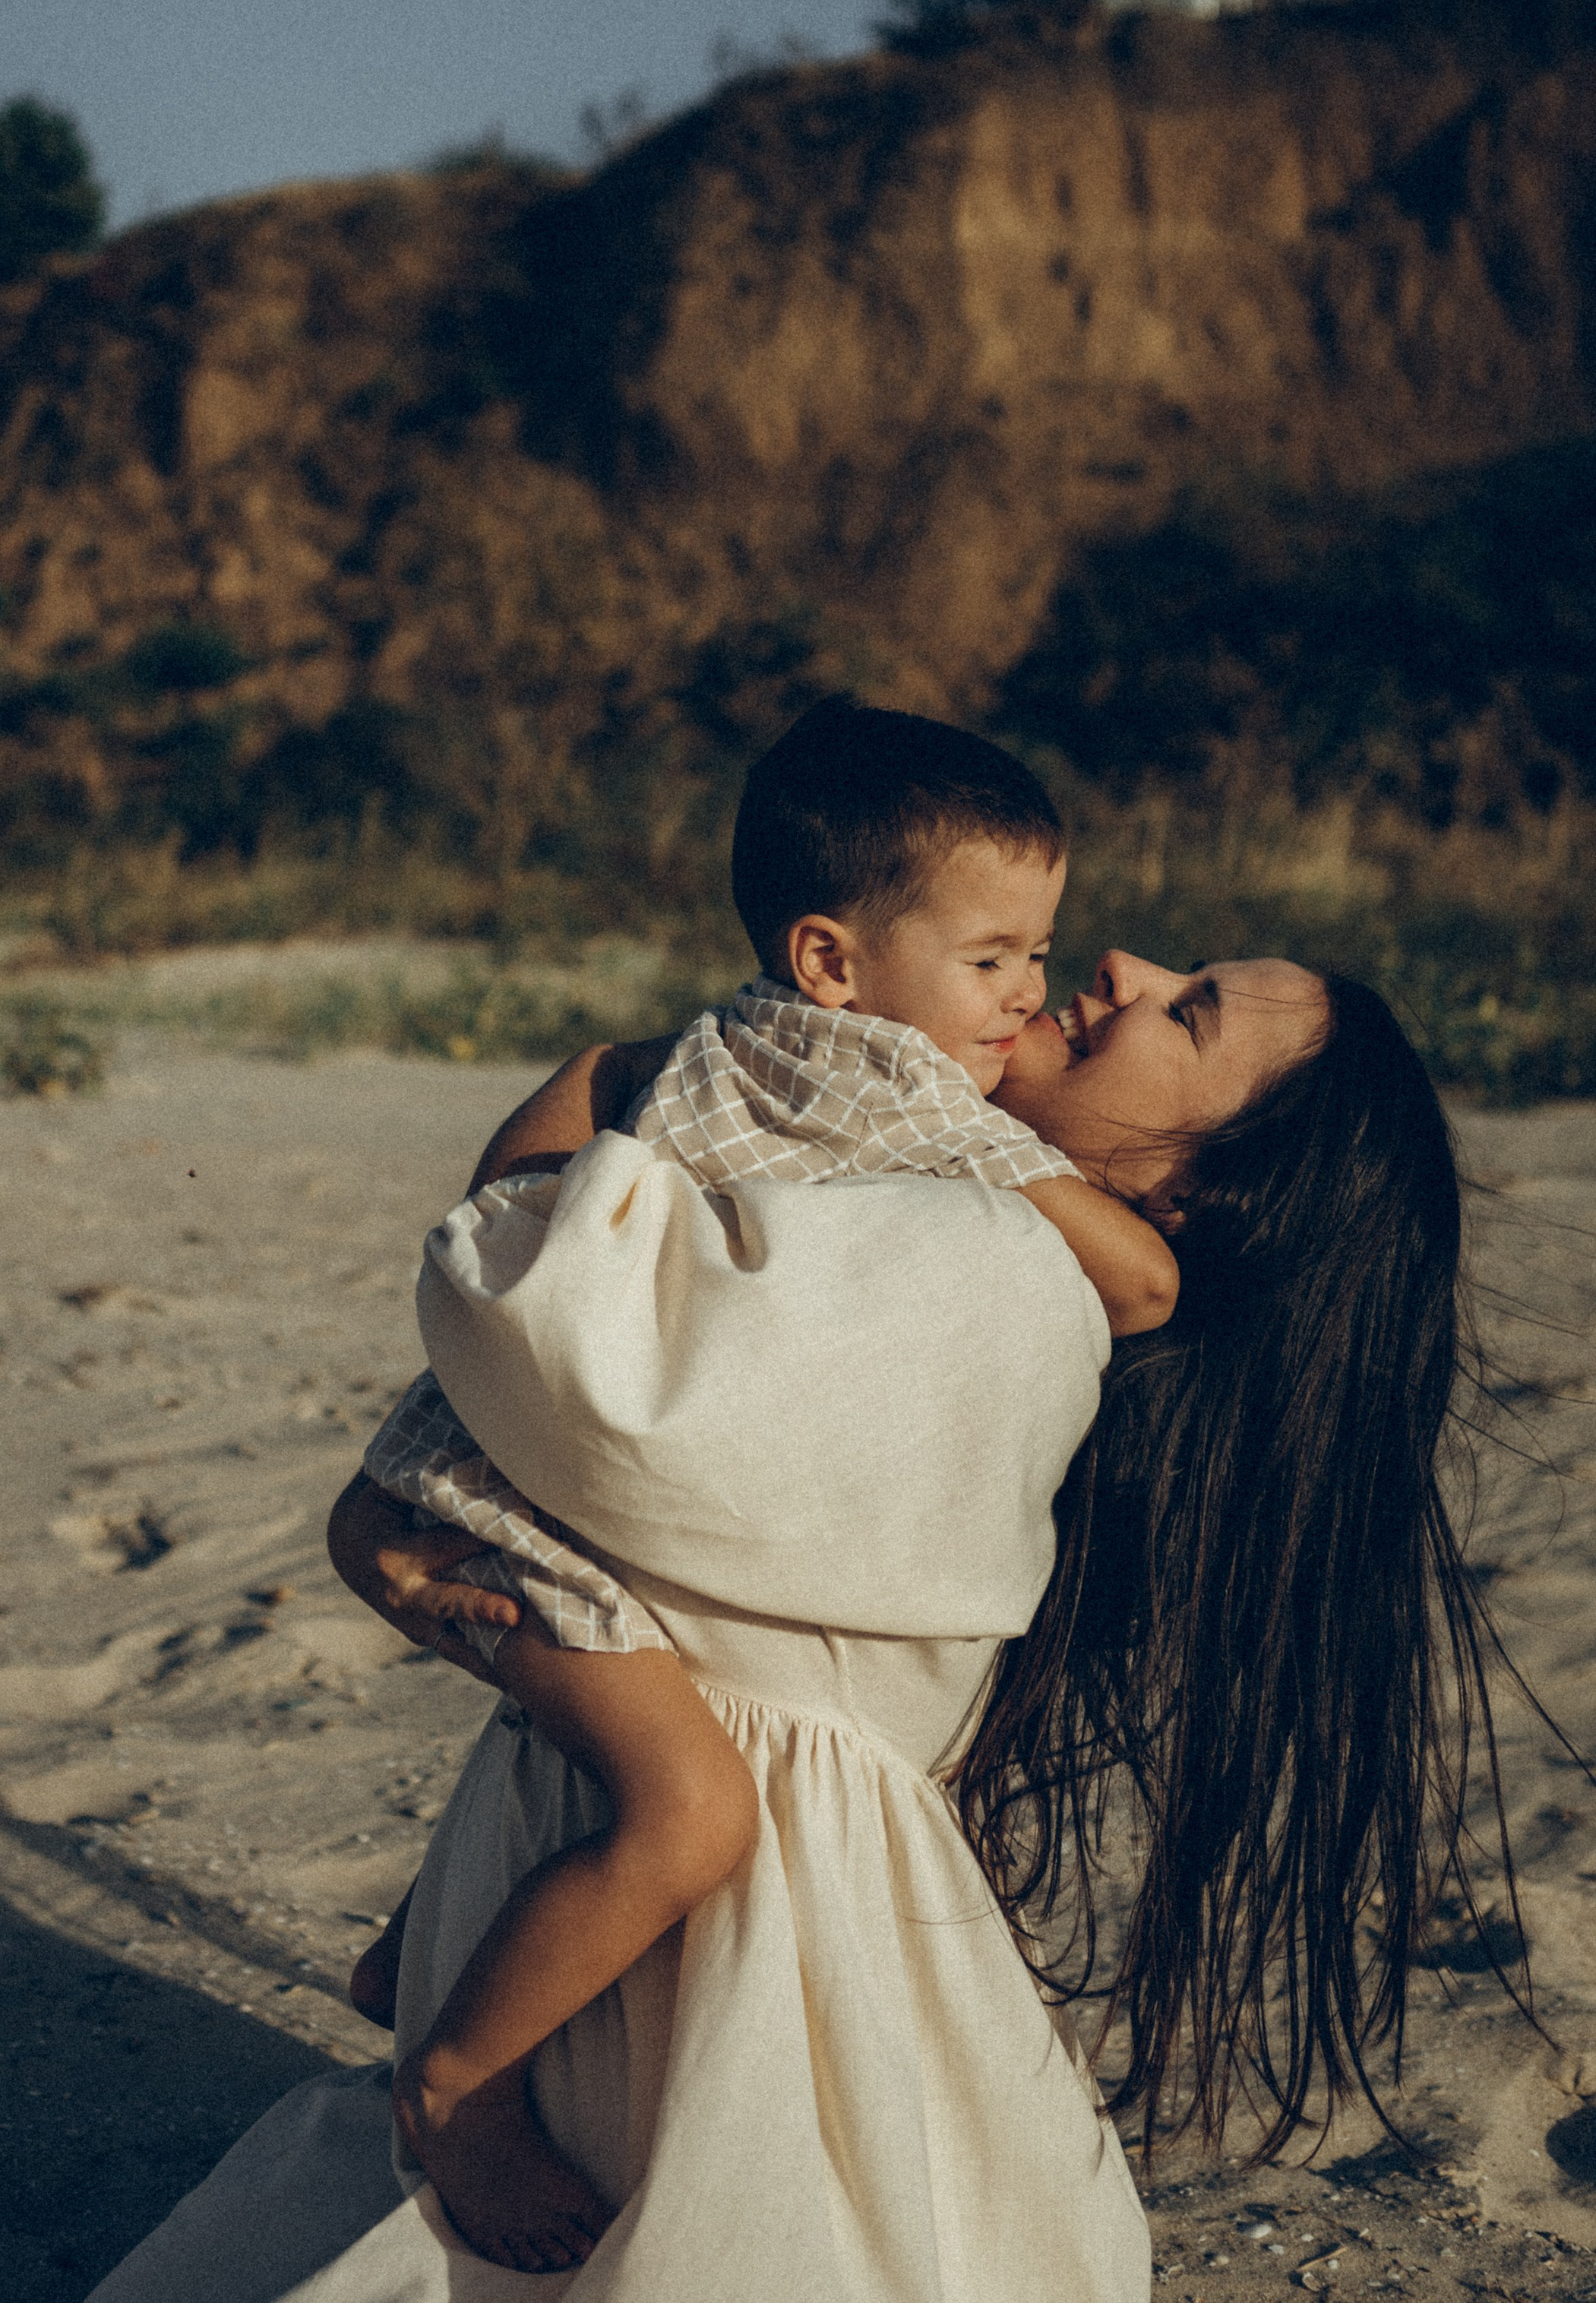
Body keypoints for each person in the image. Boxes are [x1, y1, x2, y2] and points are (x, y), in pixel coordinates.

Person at [89, 929, 1507, 2303]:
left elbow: (545, 1313)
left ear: (1197, 1196)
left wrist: (621, 1068)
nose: (1124, 969)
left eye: (1187, 1012)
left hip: (704, 1934)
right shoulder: (969, 1235)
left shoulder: (992, 1269)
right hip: (689, 1896)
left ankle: (455, 2068)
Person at [349, 704, 1179, 2268]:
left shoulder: (680, 1057)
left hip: (479, 1485)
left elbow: (508, 1210)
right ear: (831, 961)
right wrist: (1054, 1189)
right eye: (995, 956)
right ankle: (457, 2088)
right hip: (558, 1557)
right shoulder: (916, 1094)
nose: (1030, 996)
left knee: (586, 1767)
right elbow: (1134, 1283)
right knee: (687, 1812)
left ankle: (414, 1958)